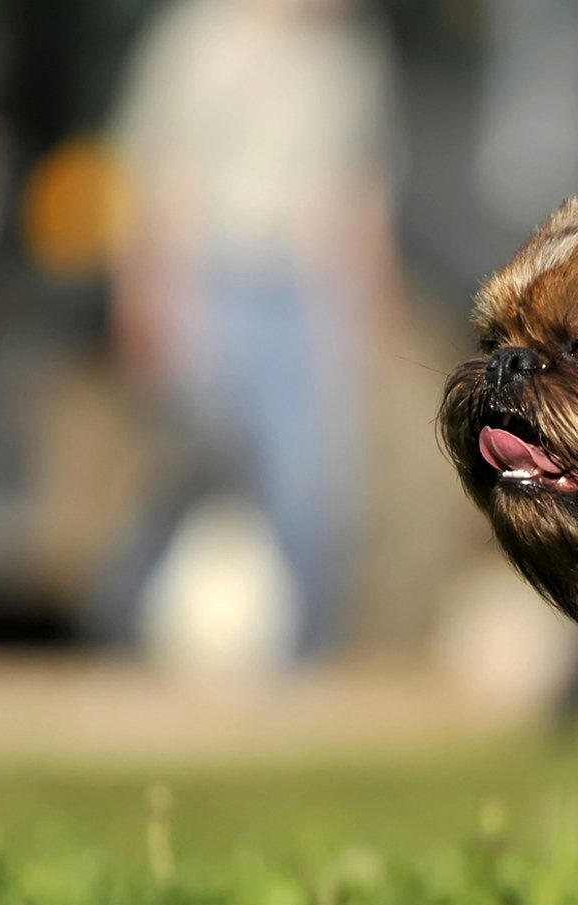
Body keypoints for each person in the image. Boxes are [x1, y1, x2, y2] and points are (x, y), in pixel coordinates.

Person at [94, 0, 399, 664]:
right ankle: (117, 629)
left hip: (305, 293)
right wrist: (147, 291)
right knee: (196, 465)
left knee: (314, 486)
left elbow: (358, 188)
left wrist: (367, 305)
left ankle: (302, 662)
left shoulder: (348, 55)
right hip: (210, 277)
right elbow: (153, 172)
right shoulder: (197, 37)